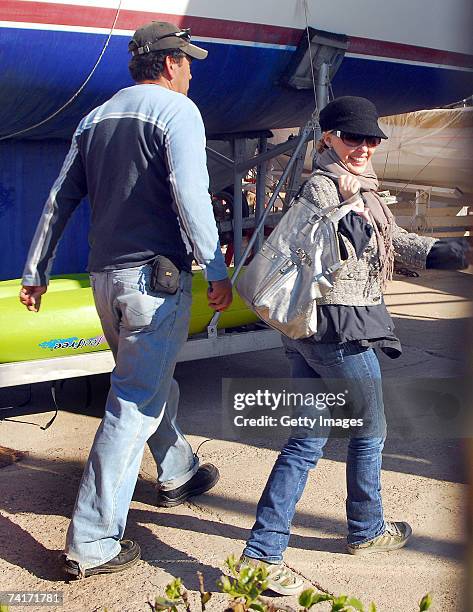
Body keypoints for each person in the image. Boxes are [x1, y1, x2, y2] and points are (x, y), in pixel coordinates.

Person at [19, 21, 232, 578]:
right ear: (168, 65)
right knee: (132, 404)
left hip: (104, 281)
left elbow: (58, 200)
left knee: (148, 381)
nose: (190, 73)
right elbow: (192, 198)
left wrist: (35, 270)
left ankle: (179, 470)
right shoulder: (177, 112)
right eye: (187, 63)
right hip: (153, 284)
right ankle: (92, 542)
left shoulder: (94, 119)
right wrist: (215, 268)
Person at [237, 96, 470, 595]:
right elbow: (318, 245)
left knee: (306, 442)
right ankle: (365, 530)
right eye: (353, 138)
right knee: (370, 432)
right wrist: (344, 206)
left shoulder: (359, 189)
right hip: (335, 332)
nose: (363, 147)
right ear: (328, 138)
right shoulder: (327, 186)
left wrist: (455, 249)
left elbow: (396, 241)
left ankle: (262, 553)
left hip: (313, 333)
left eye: (371, 139)